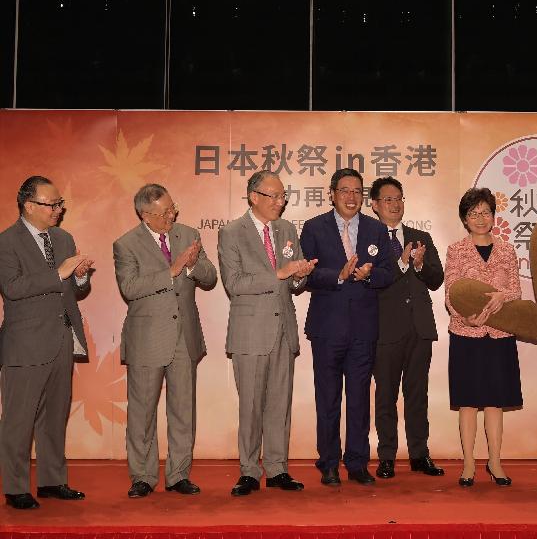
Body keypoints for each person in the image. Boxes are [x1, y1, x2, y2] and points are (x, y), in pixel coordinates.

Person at [113, 183, 217, 499]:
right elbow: (129, 288)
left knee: (183, 409)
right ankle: (142, 476)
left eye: (173, 208)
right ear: (145, 214)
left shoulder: (188, 234)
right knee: (142, 412)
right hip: (147, 338)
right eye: (164, 212)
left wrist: (191, 265)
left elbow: (210, 278)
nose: (172, 215)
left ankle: (178, 474)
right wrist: (171, 270)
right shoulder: (126, 244)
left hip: (184, 337)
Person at [218, 170, 317, 496]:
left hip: (282, 329)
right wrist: (280, 273)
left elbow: (293, 282)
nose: (280, 202)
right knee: (250, 405)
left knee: (279, 404)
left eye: (282, 196)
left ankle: (277, 469)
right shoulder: (232, 233)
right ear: (253, 197)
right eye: (273, 196)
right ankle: (249, 470)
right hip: (250, 331)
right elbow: (234, 284)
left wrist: (301, 274)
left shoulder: (287, 229)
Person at [0, 176, 93, 510]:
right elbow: (12, 288)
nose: (59, 209)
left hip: (60, 340)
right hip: (25, 344)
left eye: (60, 203)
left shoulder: (63, 238)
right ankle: (15, 487)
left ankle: (53, 481)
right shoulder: (7, 242)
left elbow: (75, 290)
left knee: (55, 416)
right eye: (52, 204)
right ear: (29, 205)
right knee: (18, 419)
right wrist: (59, 274)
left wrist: (79, 275)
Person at [299, 168, 395, 486]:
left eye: (357, 191)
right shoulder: (314, 228)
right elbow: (306, 275)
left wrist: (370, 275)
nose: (351, 197)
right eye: (345, 191)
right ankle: (328, 462)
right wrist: (337, 275)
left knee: (358, 399)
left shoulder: (375, 229)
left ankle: (356, 463)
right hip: (327, 328)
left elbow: (388, 273)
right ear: (332, 194)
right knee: (327, 398)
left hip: (364, 329)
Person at [444, 187, 522, 487]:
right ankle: (468, 464)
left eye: (485, 212)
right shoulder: (456, 250)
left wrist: (504, 296)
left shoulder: (507, 250)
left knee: (494, 402)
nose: (480, 218)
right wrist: (466, 317)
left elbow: (516, 290)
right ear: (465, 219)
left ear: (493, 216)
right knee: (467, 402)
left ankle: (495, 462)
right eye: (473, 213)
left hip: (500, 334)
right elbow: (451, 292)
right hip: (466, 333)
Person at [369, 177, 445, 479]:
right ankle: (386, 456)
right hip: (384, 330)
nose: (395, 204)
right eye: (387, 199)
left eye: (398, 198)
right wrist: (401, 264)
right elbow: (370, 282)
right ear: (374, 205)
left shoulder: (419, 236)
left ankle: (419, 454)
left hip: (419, 328)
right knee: (385, 396)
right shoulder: (369, 239)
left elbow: (436, 278)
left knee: (417, 395)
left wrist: (418, 265)